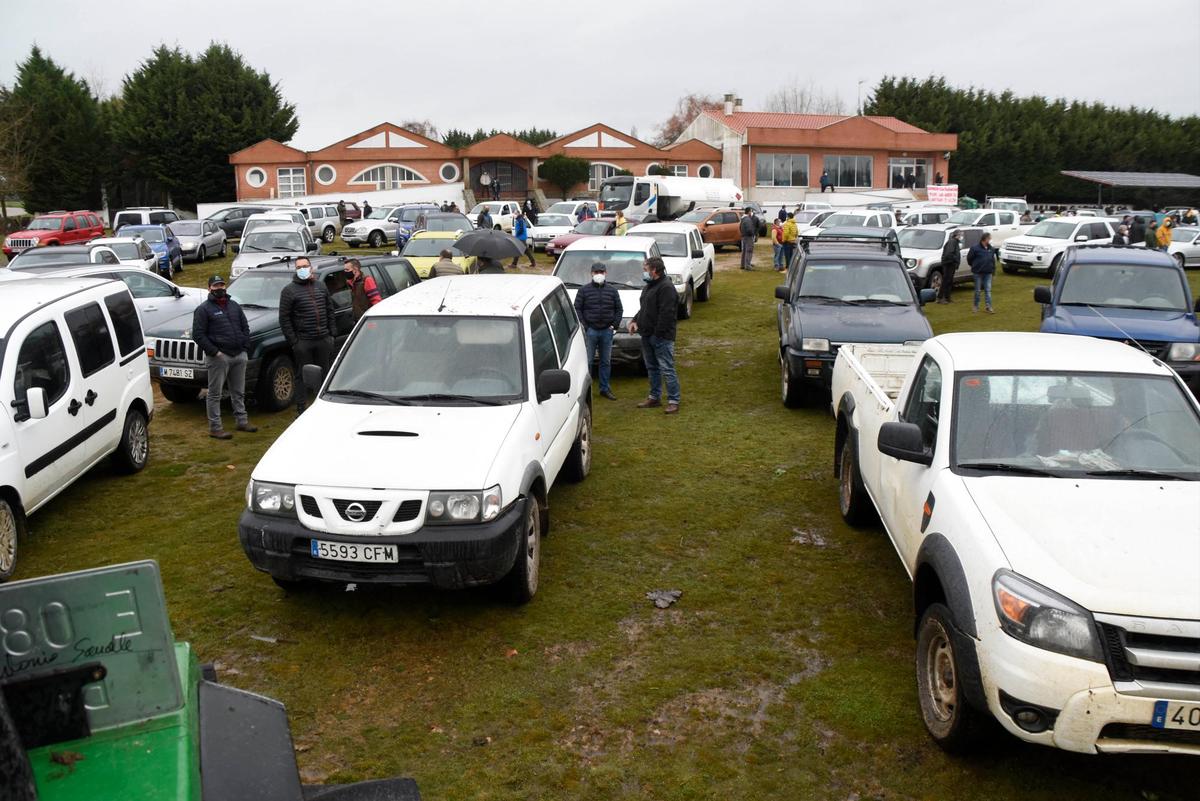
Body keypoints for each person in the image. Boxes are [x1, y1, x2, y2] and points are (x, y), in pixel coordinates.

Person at [192, 275, 256, 439]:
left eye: (221, 285)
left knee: (238, 392)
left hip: (239, 354)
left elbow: (245, 327)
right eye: (215, 286)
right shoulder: (203, 309)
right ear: (209, 288)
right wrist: (215, 352)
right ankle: (215, 428)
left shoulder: (234, 305)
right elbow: (198, 335)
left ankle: (242, 421)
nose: (219, 288)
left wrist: (244, 347)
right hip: (219, 357)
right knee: (214, 394)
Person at [279, 257, 337, 414]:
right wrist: (294, 341)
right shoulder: (289, 290)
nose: (302, 269)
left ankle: (324, 406)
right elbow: (284, 318)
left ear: (311, 267)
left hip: (323, 338)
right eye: (299, 267)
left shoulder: (321, 286)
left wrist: (332, 334)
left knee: (325, 373)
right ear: (296, 269)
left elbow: (329, 309)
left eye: (305, 266)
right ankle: (301, 407)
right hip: (303, 341)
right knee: (302, 375)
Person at [629, 256, 680, 414]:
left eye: (645, 269)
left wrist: (657, 334)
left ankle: (673, 400)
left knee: (667, 368)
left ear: (654, 271)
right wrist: (635, 320)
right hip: (647, 334)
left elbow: (667, 314)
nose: (643, 272)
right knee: (652, 368)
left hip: (661, 337)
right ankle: (654, 397)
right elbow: (644, 308)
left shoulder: (666, 288)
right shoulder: (649, 286)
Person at [574, 262, 622, 401]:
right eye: (596, 272)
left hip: (607, 331)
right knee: (587, 361)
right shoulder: (583, 290)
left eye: (601, 272)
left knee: (605, 361)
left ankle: (604, 388)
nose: (599, 274)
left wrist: (614, 325)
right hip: (591, 331)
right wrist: (586, 326)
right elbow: (577, 308)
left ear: (605, 273)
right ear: (592, 273)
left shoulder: (612, 291)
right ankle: (585, 390)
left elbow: (619, 309)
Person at [967, 232, 996, 314]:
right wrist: (975, 266)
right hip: (978, 273)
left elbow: (993, 261)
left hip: (988, 273)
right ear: (985, 239)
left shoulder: (991, 249)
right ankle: (976, 306)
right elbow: (969, 259)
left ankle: (989, 307)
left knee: (988, 290)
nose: (990, 240)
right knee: (978, 291)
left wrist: (993, 271)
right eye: (989, 238)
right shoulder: (975, 248)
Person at [937, 230, 963, 303]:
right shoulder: (952, 242)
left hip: (951, 264)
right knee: (946, 281)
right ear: (956, 235)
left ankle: (947, 297)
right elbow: (949, 254)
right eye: (960, 235)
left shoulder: (955, 242)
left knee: (949, 281)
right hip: (949, 264)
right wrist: (955, 260)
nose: (961, 237)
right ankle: (940, 297)